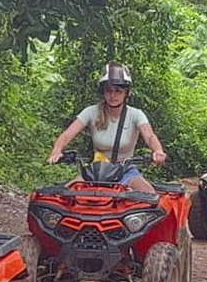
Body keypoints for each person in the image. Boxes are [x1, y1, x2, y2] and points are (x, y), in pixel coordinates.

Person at [47, 61, 167, 193]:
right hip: (96, 171)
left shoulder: (136, 114)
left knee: (149, 195)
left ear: (126, 92)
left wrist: (158, 151)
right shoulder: (92, 112)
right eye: (108, 90)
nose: (113, 95)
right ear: (103, 92)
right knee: (63, 196)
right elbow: (67, 135)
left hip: (125, 170)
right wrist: (57, 150)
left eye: (118, 91)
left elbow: (149, 136)